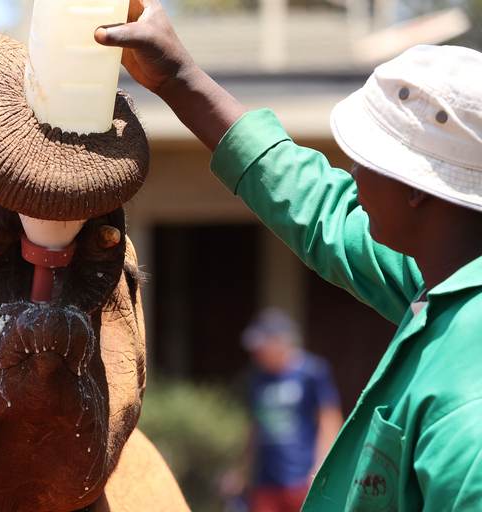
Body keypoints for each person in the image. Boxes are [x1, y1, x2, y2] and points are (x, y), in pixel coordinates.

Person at [96, 3, 482, 510]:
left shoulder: (468, 412)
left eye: (365, 158)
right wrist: (178, 78)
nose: (350, 173)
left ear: (417, 189)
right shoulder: (438, 278)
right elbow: (316, 203)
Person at [221, 308, 343, 512]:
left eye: (261, 346)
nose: (256, 353)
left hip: (303, 478)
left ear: (280, 342)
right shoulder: (256, 378)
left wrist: (321, 466)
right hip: (266, 481)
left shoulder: (312, 372)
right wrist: (240, 471)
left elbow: (329, 419)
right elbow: (255, 428)